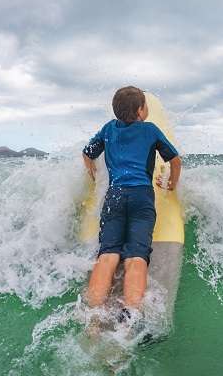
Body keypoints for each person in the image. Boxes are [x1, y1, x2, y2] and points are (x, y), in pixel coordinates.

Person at [82, 86, 182, 316]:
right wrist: (171, 184)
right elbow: (175, 161)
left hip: (114, 195)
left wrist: (94, 176)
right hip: (141, 198)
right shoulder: (150, 130)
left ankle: (94, 318)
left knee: (108, 254)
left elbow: (87, 153)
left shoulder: (109, 128)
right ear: (140, 110)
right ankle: (129, 319)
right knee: (136, 256)